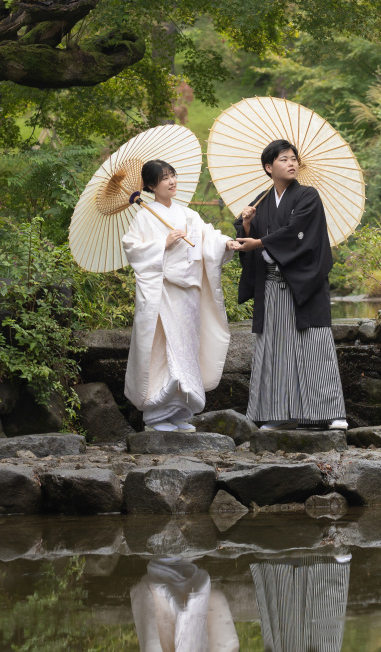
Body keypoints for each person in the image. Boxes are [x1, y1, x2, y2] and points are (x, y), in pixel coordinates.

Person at [232, 139, 348, 431]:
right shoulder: (262, 200)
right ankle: (280, 414)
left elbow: (298, 232)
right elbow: (249, 241)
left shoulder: (308, 196)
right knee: (275, 349)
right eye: (284, 159)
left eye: (294, 158)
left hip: (304, 285)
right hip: (272, 286)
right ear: (269, 167)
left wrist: (258, 240)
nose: (292, 163)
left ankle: (332, 412)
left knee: (315, 346)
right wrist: (246, 225)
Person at [122, 159, 240, 432]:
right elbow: (132, 249)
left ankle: (179, 413)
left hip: (188, 295)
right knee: (163, 350)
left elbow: (208, 238)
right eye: (164, 178)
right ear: (151, 186)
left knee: (186, 349)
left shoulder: (188, 215)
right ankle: (155, 416)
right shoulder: (143, 216)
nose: (172, 181)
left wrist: (226, 243)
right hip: (162, 292)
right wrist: (162, 243)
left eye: (173, 175)